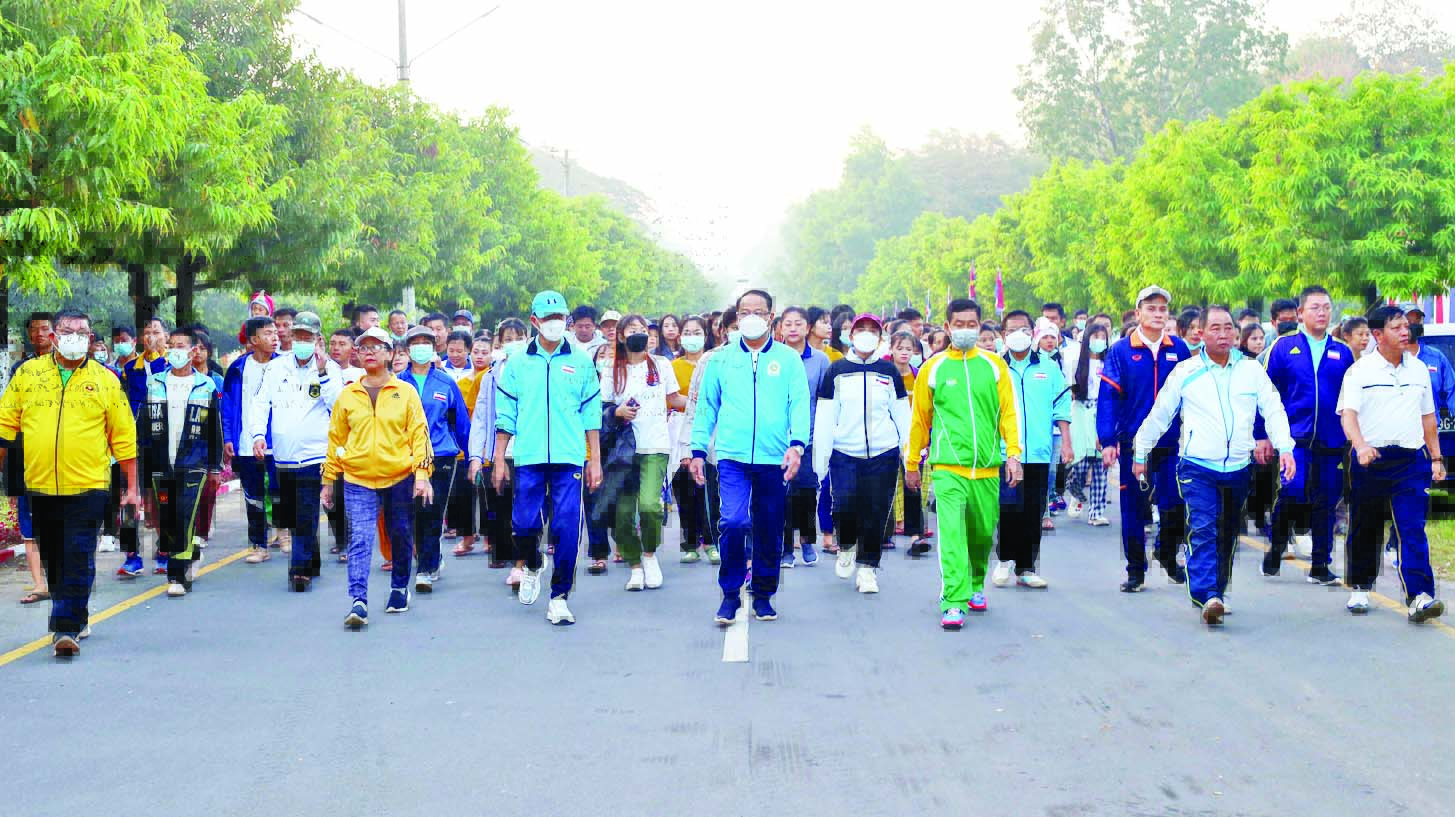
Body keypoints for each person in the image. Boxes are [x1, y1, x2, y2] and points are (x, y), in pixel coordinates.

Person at [1133, 305, 1296, 626]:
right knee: (1204, 527)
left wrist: (1285, 448)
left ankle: (1218, 591)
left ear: (1235, 333)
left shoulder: (1251, 370)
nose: (1223, 334)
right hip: (1197, 466)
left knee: (1227, 532)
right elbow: (1161, 414)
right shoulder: (1186, 371)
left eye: (1228, 328)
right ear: (1201, 333)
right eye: (1215, 328)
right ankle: (1207, 594)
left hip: (1238, 467)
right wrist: (1140, 453)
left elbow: (1273, 409)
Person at [0, 308, 139, 656]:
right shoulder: (28, 374)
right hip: (40, 484)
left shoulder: (106, 380)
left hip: (89, 485)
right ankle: (76, 612)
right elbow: (5, 425)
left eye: (81, 333)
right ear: (53, 337)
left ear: (90, 339)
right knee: (55, 556)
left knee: (77, 552)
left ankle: (65, 627)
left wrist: (133, 488)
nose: (74, 338)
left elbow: (124, 437)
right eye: (67, 331)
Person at [690, 289, 810, 625]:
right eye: (745, 312)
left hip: (775, 458)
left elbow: (799, 404)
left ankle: (763, 595)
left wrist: (797, 445)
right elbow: (706, 407)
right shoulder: (721, 360)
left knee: (769, 526)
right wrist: (697, 450)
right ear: (737, 317)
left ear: (771, 317)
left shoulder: (788, 360)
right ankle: (730, 594)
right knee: (733, 521)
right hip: (732, 456)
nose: (751, 317)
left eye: (759, 312)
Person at [905, 299, 1021, 630]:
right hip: (947, 468)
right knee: (952, 535)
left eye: (972, 324)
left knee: (982, 534)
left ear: (981, 325)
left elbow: (1008, 413)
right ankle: (953, 600)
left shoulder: (995, 366)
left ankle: (975, 583)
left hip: (987, 468)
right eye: (959, 324)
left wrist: (1014, 454)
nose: (966, 330)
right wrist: (912, 462)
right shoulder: (934, 368)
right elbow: (920, 420)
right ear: (947, 327)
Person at [493, 290, 604, 625]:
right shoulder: (517, 362)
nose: (555, 323)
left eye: (560, 317)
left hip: (569, 457)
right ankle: (532, 563)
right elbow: (505, 414)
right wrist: (499, 458)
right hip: (528, 456)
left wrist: (594, 460)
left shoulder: (581, 361)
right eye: (548, 318)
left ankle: (559, 596)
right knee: (523, 524)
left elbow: (591, 414)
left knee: (566, 526)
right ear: (535, 321)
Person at [1338, 305, 1445, 622]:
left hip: (1410, 461)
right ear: (1378, 334)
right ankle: (1360, 585)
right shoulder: (1360, 371)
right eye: (1396, 327)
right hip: (1370, 459)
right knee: (1366, 524)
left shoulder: (1419, 369)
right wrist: (1360, 446)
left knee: (1412, 527)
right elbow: (1348, 416)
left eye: (1405, 327)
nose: (1404, 332)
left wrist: (1436, 458)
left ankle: (1420, 596)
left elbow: (1428, 418)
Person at [323, 327, 433, 628]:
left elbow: (419, 435)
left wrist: (422, 475)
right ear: (357, 355)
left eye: (376, 347)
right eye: (364, 347)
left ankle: (399, 588)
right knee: (359, 538)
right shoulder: (348, 395)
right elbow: (335, 439)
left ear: (390, 354)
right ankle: (358, 600)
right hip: (357, 478)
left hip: (399, 476)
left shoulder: (405, 392)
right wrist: (328, 480)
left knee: (400, 532)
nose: (369, 352)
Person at [1097, 285, 1190, 592]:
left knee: (1176, 503)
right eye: (1151, 308)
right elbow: (1108, 397)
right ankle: (1136, 570)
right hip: (1133, 444)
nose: (1158, 314)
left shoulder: (1179, 349)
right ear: (1138, 313)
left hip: (1171, 443)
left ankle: (1167, 552)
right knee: (1134, 508)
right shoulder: (1121, 351)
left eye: (1163, 309)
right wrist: (1108, 440)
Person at [1259, 286, 1353, 582]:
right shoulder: (1284, 347)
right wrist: (1262, 435)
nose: (1322, 313)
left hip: (1331, 438)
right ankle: (1276, 546)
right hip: (1294, 438)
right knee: (1293, 490)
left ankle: (1320, 565)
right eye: (1315, 307)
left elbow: (1352, 398)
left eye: (1326, 307)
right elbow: (1265, 393)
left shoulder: (1342, 351)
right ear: (1300, 313)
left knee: (1326, 500)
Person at [813, 313, 910, 594]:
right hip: (845, 451)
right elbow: (826, 415)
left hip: (883, 452)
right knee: (844, 504)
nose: (866, 334)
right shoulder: (837, 370)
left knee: (876, 510)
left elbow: (901, 413)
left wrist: (909, 453)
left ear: (880, 338)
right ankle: (845, 544)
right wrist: (821, 458)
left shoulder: (889, 371)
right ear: (851, 335)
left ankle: (868, 568)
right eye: (861, 329)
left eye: (873, 330)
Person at [250, 312, 342, 591]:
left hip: (316, 454)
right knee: (294, 512)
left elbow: (338, 405)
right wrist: (257, 434)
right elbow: (260, 402)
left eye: (308, 337)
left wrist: (323, 372)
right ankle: (311, 560)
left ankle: (299, 570)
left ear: (318, 339)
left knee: (306, 509)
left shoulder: (330, 368)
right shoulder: (276, 367)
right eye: (298, 336)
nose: (302, 341)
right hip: (284, 454)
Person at [597, 315, 683, 591]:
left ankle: (649, 554)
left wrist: (702, 402)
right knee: (622, 514)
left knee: (649, 505)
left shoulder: (661, 364)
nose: (638, 334)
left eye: (642, 330)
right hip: (623, 450)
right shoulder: (611, 368)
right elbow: (602, 407)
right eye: (632, 330)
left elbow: (674, 399)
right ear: (621, 335)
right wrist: (617, 412)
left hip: (655, 445)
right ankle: (634, 565)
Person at [139, 328, 223, 598]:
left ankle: (177, 575)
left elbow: (214, 430)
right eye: (172, 345)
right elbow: (143, 428)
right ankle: (190, 553)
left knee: (184, 515)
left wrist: (215, 466)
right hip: (161, 464)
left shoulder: (205, 386)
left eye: (181, 345)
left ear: (193, 351)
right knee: (167, 515)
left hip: (193, 464)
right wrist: (142, 466)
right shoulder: (155, 383)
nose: (175, 350)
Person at [991, 315, 1071, 589]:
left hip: (1038, 451)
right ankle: (1004, 559)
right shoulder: (995, 367)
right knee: (1008, 507)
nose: (1018, 334)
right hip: (1005, 452)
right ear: (1004, 335)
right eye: (1012, 330)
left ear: (1032, 332)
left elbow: (1061, 405)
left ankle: (1026, 567)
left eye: (1023, 329)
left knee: (1033, 510)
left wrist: (1067, 442)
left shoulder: (1048, 367)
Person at [401, 325, 470, 594]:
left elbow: (459, 422)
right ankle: (430, 556)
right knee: (413, 514)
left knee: (431, 511)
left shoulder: (445, 382)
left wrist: (471, 458)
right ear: (407, 350)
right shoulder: (397, 383)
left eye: (426, 343)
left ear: (433, 348)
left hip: (441, 455)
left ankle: (425, 569)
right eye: (415, 343)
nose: (420, 347)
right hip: (406, 457)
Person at [221, 316, 280, 564]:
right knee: (253, 495)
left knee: (279, 489)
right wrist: (228, 436)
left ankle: (284, 531)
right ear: (254, 339)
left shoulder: (284, 365)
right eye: (268, 333)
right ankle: (259, 545)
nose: (274, 337)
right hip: (246, 442)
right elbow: (228, 404)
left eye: (275, 332)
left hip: (278, 442)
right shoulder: (238, 368)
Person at [777, 306, 829, 568]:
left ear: (808, 327)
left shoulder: (820, 360)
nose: (793, 328)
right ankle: (786, 549)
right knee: (783, 494)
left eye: (798, 323)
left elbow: (825, 399)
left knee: (807, 491)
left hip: (808, 437)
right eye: (788, 324)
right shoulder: (772, 357)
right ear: (780, 328)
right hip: (777, 438)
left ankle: (807, 540)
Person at [671, 316, 714, 563]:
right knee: (685, 488)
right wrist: (693, 403)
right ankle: (690, 543)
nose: (692, 336)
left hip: (710, 430)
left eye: (697, 332)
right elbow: (670, 398)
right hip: (679, 429)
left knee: (708, 488)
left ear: (706, 335)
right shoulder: (672, 366)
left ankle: (711, 540)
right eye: (687, 332)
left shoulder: (714, 362)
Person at [451, 334, 495, 558]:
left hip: (489, 443)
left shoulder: (495, 378)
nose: (479, 356)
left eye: (484, 352)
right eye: (476, 352)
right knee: (464, 493)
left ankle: (489, 536)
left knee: (488, 492)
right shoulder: (461, 383)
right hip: (465, 443)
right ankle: (467, 536)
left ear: (492, 354)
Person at [1065, 323, 1111, 526]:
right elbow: (1069, 389)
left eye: (1102, 337)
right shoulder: (1077, 363)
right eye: (1095, 336)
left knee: (1100, 466)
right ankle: (1074, 490)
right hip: (1081, 413)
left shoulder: (1109, 364)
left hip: (1103, 412)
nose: (1099, 340)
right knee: (1080, 463)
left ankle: (1096, 513)